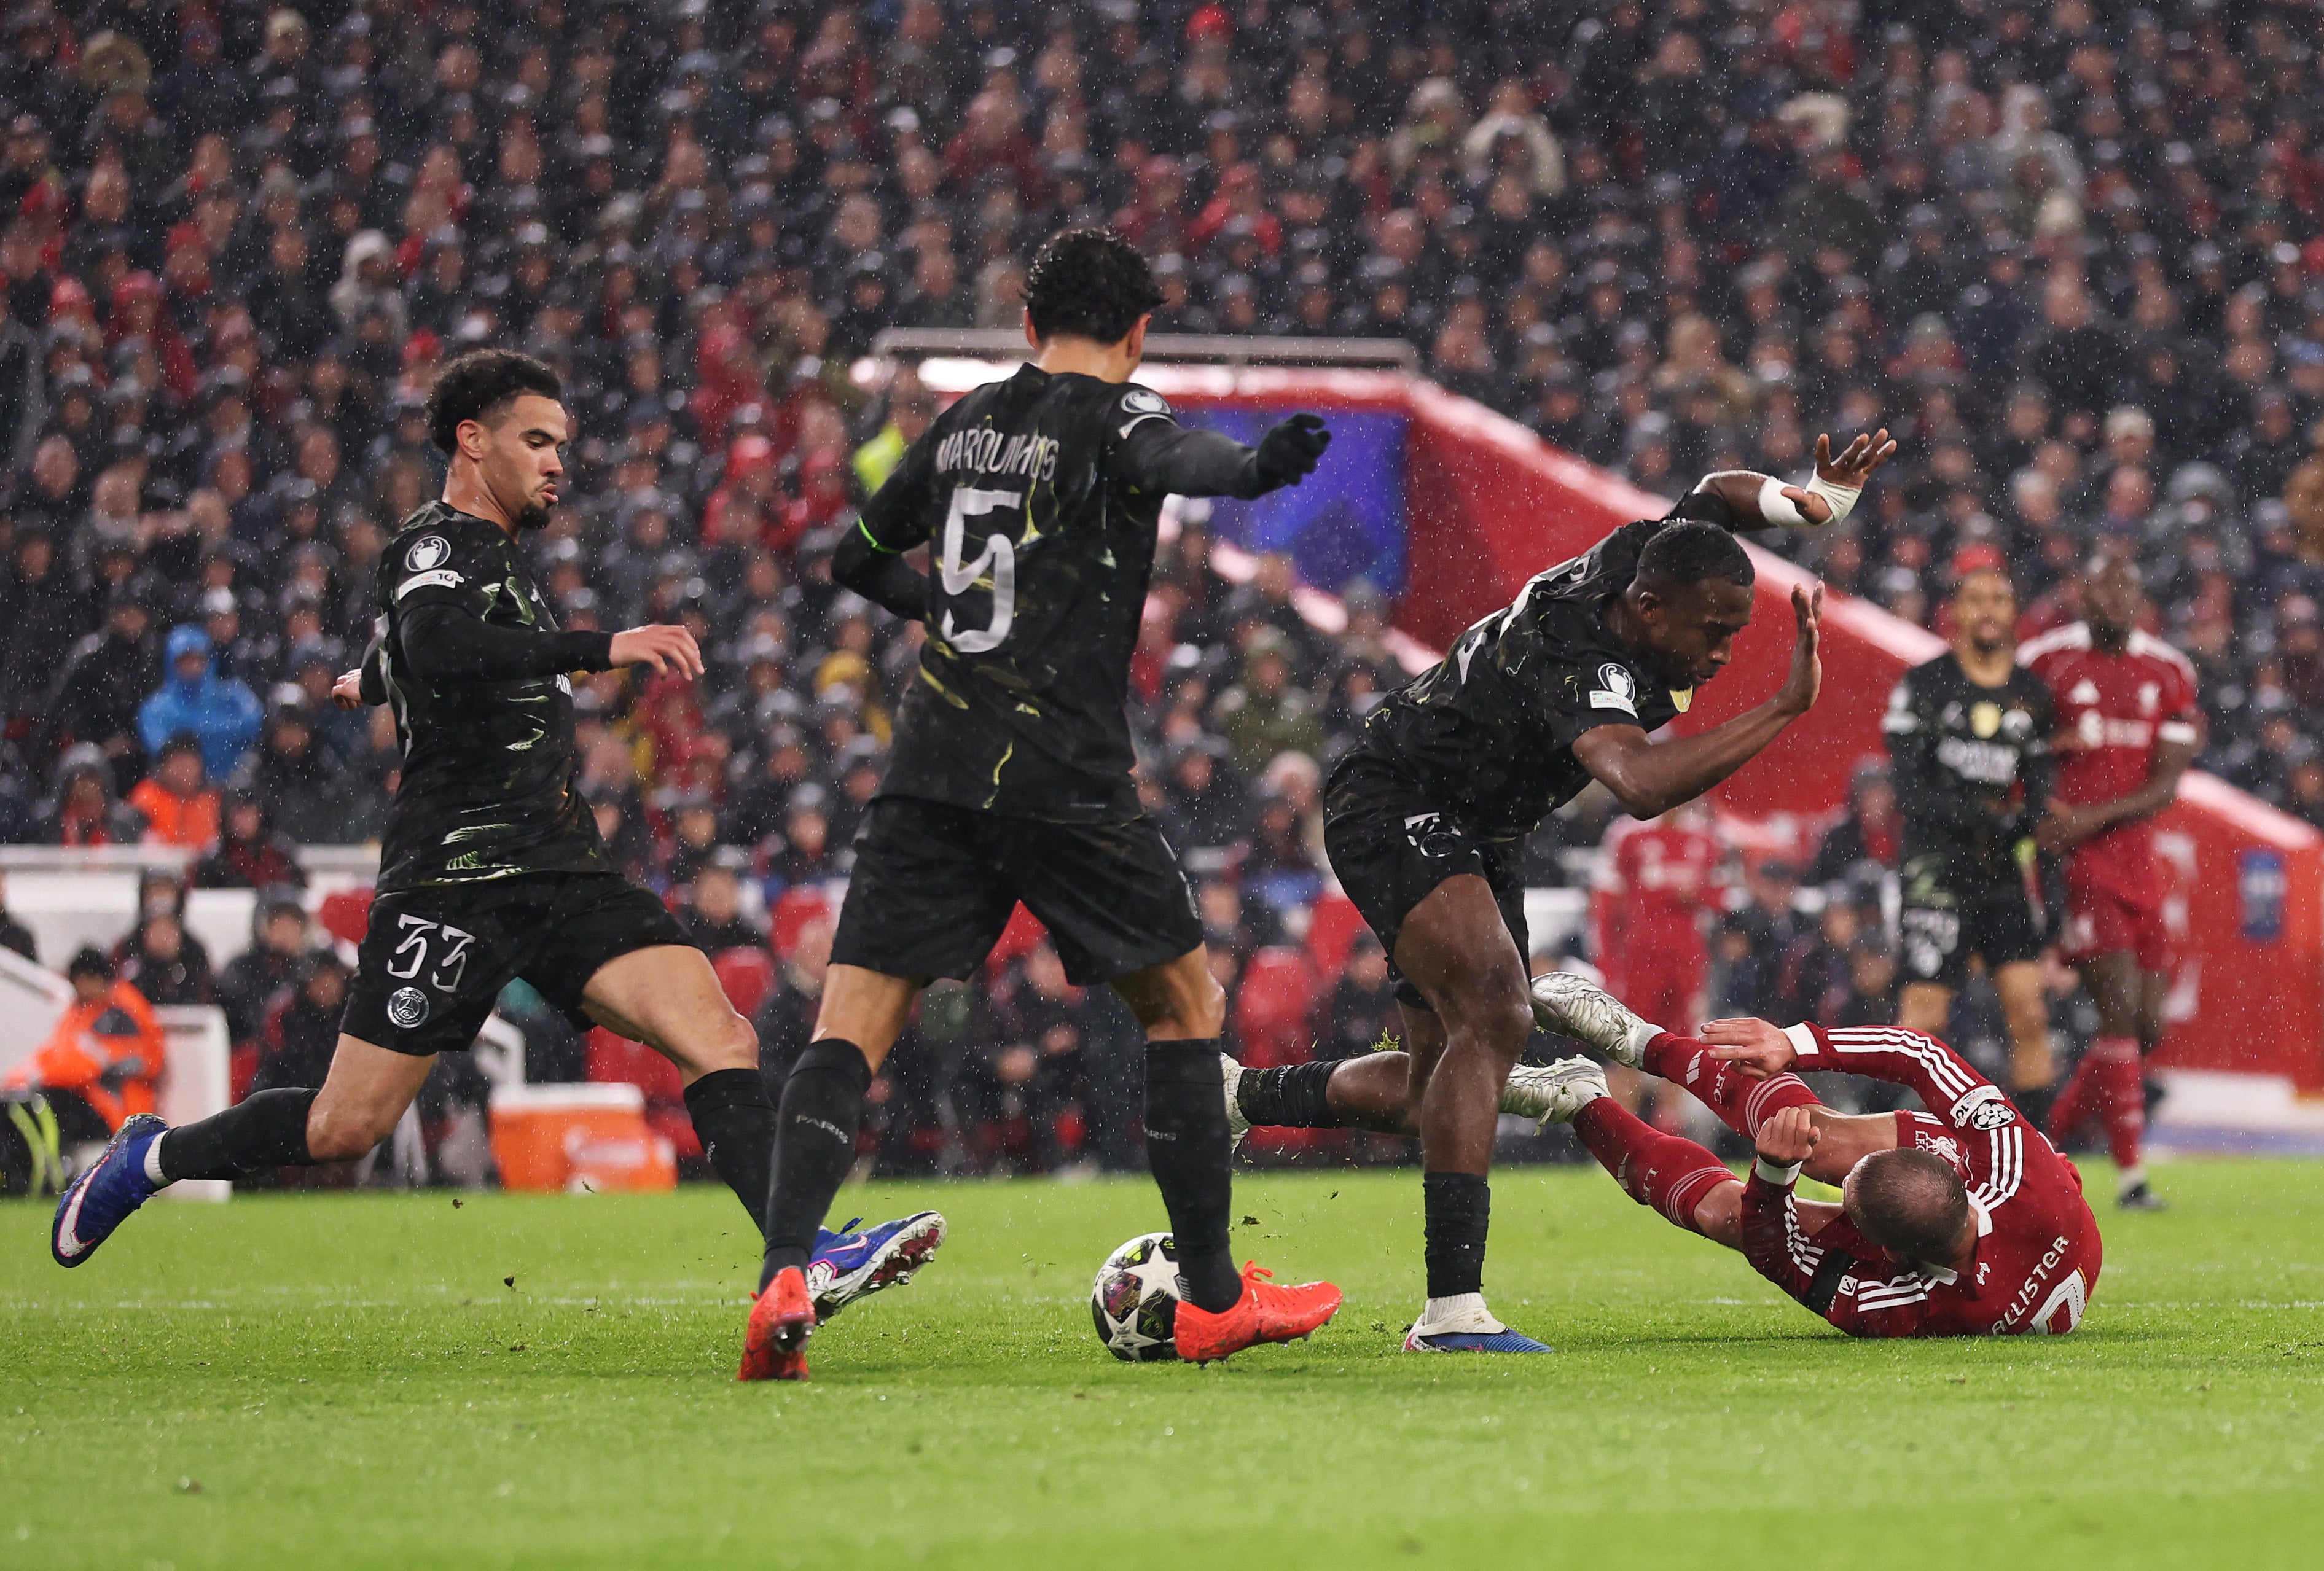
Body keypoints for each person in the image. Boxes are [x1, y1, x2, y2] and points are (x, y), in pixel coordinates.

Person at [47, 350, 944, 1333]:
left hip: (559, 867)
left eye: (562, 444)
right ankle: (152, 1156)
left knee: (718, 1035)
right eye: (537, 441)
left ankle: (801, 1256)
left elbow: (425, 647)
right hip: (454, 878)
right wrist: (598, 647)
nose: (558, 462)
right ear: (472, 442)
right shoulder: (440, 541)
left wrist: (375, 677)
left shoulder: (496, 560)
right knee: (345, 1126)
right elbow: (438, 638)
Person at [748, 227, 1342, 1379]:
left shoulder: (965, 421)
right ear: (1138, 332)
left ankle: (782, 1271)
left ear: (1027, 325)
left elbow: (854, 559)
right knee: (1183, 1004)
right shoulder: (1118, 413)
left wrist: (948, 612)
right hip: (1060, 769)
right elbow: (1175, 456)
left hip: (931, 763)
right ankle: (1215, 1298)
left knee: (849, 1025)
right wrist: (1254, 469)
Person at [1315, 427, 1895, 1351]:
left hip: (1479, 824)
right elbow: (1639, 783)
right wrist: (1783, 706)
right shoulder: (1576, 653)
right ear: (1650, 610)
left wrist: (1808, 503)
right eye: (1711, 634)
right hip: (1398, 795)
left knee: (1429, 1091)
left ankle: (1239, 1096)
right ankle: (1451, 1311)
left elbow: (1716, 490)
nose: (1721, 654)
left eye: (1734, 632)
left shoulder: (1647, 559)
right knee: (1496, 1016)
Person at [1531, 977, 2100, 1337]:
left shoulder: (1910, 1309)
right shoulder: (2021, 1169)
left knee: (1727, 1217)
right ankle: (1641, 1042)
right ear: (1949, 1168)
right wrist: (1793, 1045)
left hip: (1960, 1262)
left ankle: (1581, 1100)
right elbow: (1920, 1052)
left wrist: (1774, 1177)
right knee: (1820, 1142)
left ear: (1886, 1253)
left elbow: (1778, 1257)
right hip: (2030, 1212)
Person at [2021, 557, 2202, 1210]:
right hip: (2080, 867)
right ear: (2081, 595)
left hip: (2137, 863)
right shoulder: (2046, 661)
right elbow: (2016, 749)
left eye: (2126, 585)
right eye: (2103, 585)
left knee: (2145, 1027)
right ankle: (2131, 1179)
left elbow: (2166, 785)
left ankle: (2044, 1142)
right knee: (2119, 1014)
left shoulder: (2171, 669)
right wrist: (2044, 796)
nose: (2115, 597)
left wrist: (2089, 817)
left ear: (2141, 598)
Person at [1886, 563, 2060, 1127]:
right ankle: (1899, 1149)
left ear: (2014, 613)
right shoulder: (1924, 686)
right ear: (1955, 613)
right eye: (1976, 599)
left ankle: (2035, 1155)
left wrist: (2030, 849)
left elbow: (2042, 798)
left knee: (2028, 1012)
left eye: (1999, 599)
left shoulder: (2032, 695)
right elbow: (1908, 791)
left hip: (2002, 875)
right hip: (1935, 872)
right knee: (1923, 1017)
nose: (1987, 610)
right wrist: (1982, 818)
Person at [4, 949, 164, 1196]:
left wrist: (35, 1078)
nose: (77, 989)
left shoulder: (119, 1013)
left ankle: (49, 1175)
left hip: (117, 1111)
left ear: (95, 979)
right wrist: (16, 1081)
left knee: (45, 1105)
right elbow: (53, 1054)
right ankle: (32, 1173)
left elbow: (80, 1067)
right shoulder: (87, 1009)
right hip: (90, 1100)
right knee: (24, 1105)